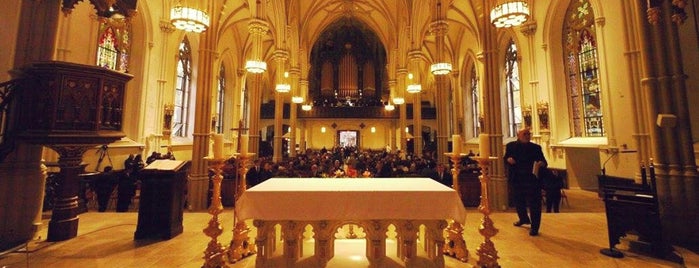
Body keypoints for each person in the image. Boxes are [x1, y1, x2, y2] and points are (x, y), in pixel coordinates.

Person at [504, 127, 547, 236]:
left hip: (532, 179)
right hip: (517, 178)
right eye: (525, 134)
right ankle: (523, 218)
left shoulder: (536, 148)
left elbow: (543, 161)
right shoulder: (511, 146)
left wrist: (541, 163)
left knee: (534, 204)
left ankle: (535, 227)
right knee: (519, 201)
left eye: (528, 134)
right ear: (518, 135)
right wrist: (508, 159)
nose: (527, 136)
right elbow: (505, 158)